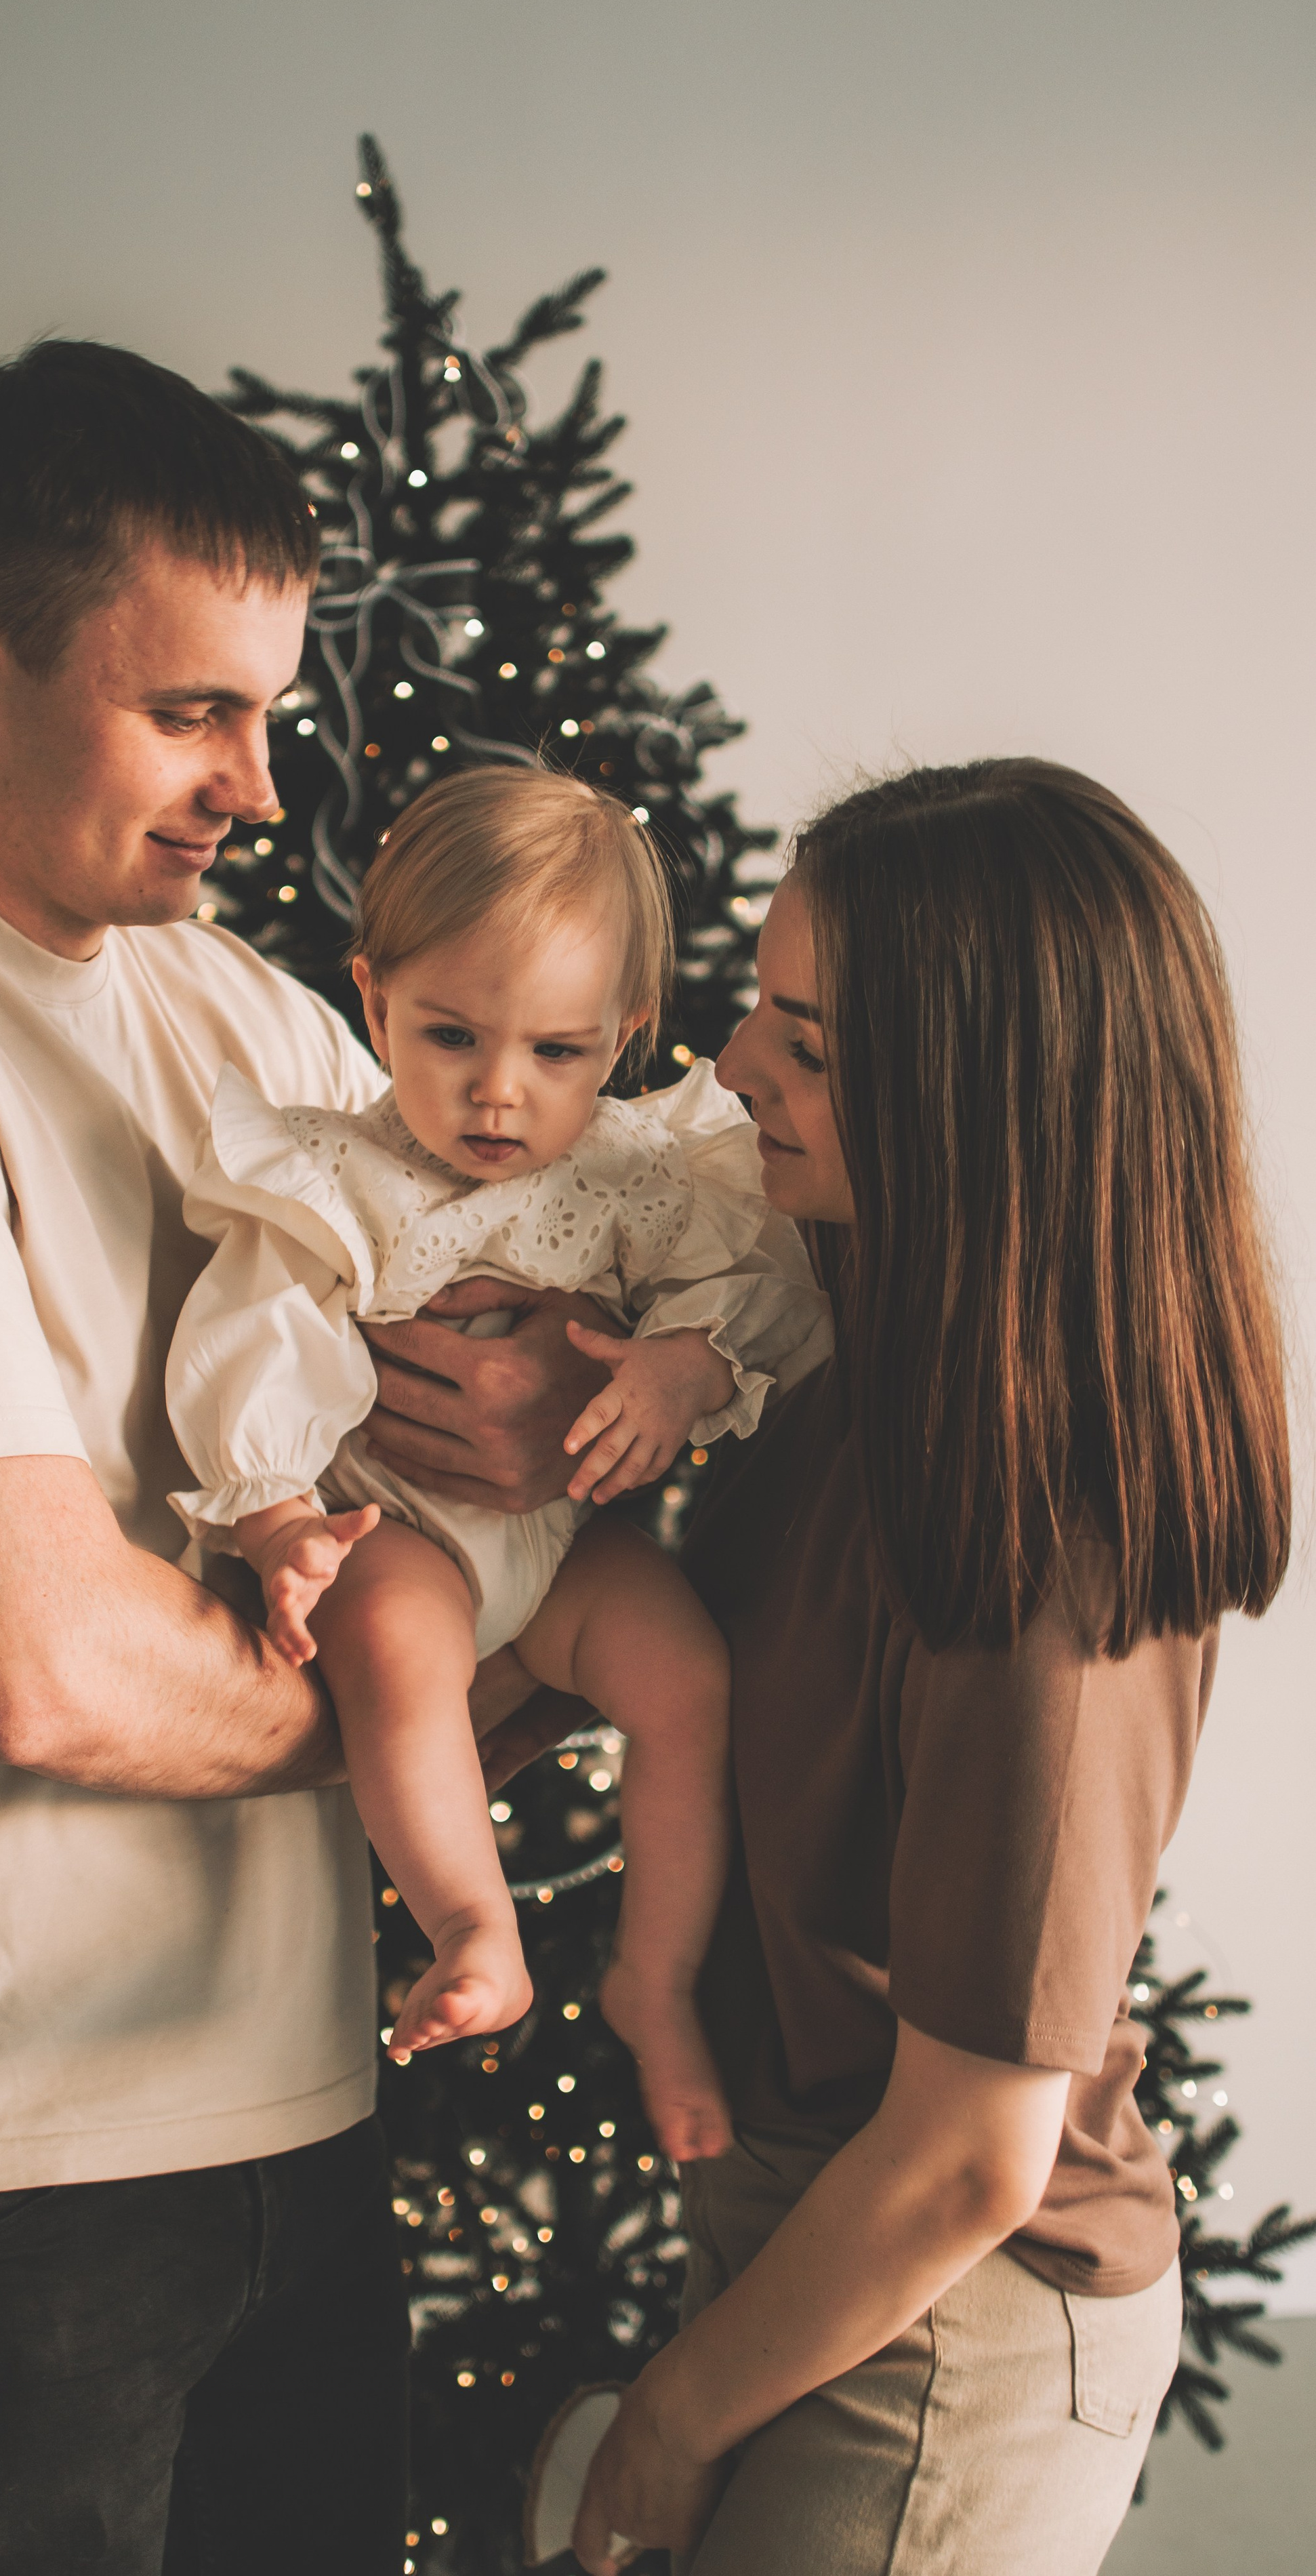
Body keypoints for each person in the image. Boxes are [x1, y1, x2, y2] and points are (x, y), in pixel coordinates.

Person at [0, 337, 608, 2576]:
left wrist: (538, 1414)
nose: (262, 788)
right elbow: (40, 1666)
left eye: (267, 708)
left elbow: (499, 1383)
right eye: (193, 715)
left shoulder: (241, 1013)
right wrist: (457, 1702)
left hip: (281, 2118)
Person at [571, 759, 1292, 2576]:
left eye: (806, 1044)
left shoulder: (1049, 1558)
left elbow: (974, 2155)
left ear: (982, 1102)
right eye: (758, 1007)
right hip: (812, 2241)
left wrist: (670, 2418)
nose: (736, 1065)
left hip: (954, 2308)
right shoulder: (841, 1340)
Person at [165, 765, 832, 2158]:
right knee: (401, 1656)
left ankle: (650, 1981)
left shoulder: (637, 1173)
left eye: (555, 1053)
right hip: (396, 1526)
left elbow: (759, 1289)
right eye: (450, 1036)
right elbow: (249, 1340)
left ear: (622, 1037)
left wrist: (679, 1366)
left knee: (687, 1680)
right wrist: (281, 1518)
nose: (494, 1094)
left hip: (562, 1550)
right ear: (372, 1003)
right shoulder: (334, 1176)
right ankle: (477, 1925)